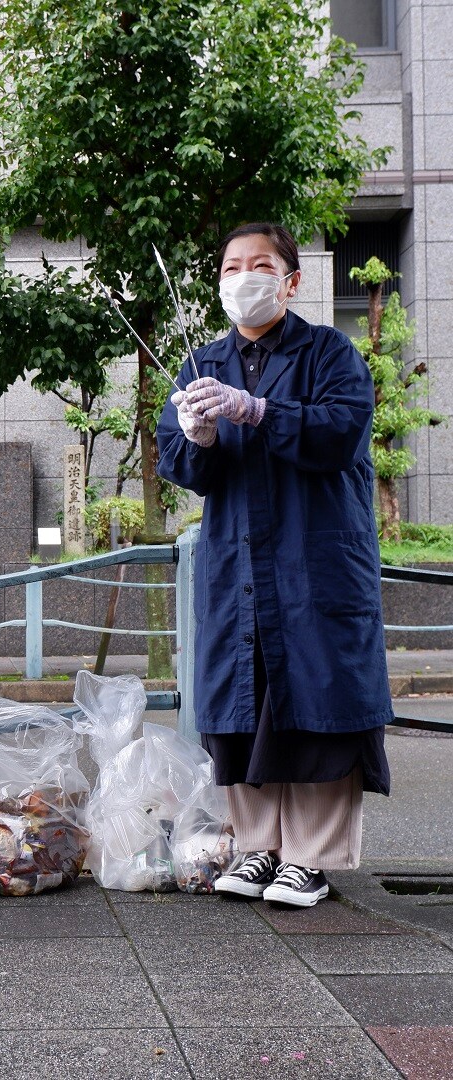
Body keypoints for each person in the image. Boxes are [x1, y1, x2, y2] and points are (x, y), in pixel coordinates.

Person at [156, 222, 392, 908]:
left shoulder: (331, 353)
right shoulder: (202, 363)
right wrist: (196, 435)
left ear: (292, 280)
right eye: (232, 266)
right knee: (243, 702)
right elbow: (182, 462)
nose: (244, 277)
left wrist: (257, 409)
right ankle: (258, 847)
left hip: (313, 560)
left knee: (317, 700)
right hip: (238, 564)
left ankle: (309, 860)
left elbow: (340, 431)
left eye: (261, 265)